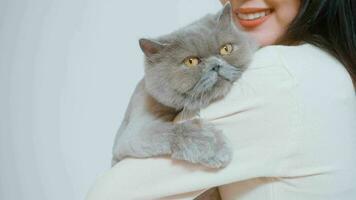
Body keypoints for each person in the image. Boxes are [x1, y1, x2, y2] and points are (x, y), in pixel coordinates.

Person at [86, 0, 356, 199]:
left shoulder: (277, 72)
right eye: (193, 61)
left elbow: (107, 194)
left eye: (225, 49)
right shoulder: (329, 65)